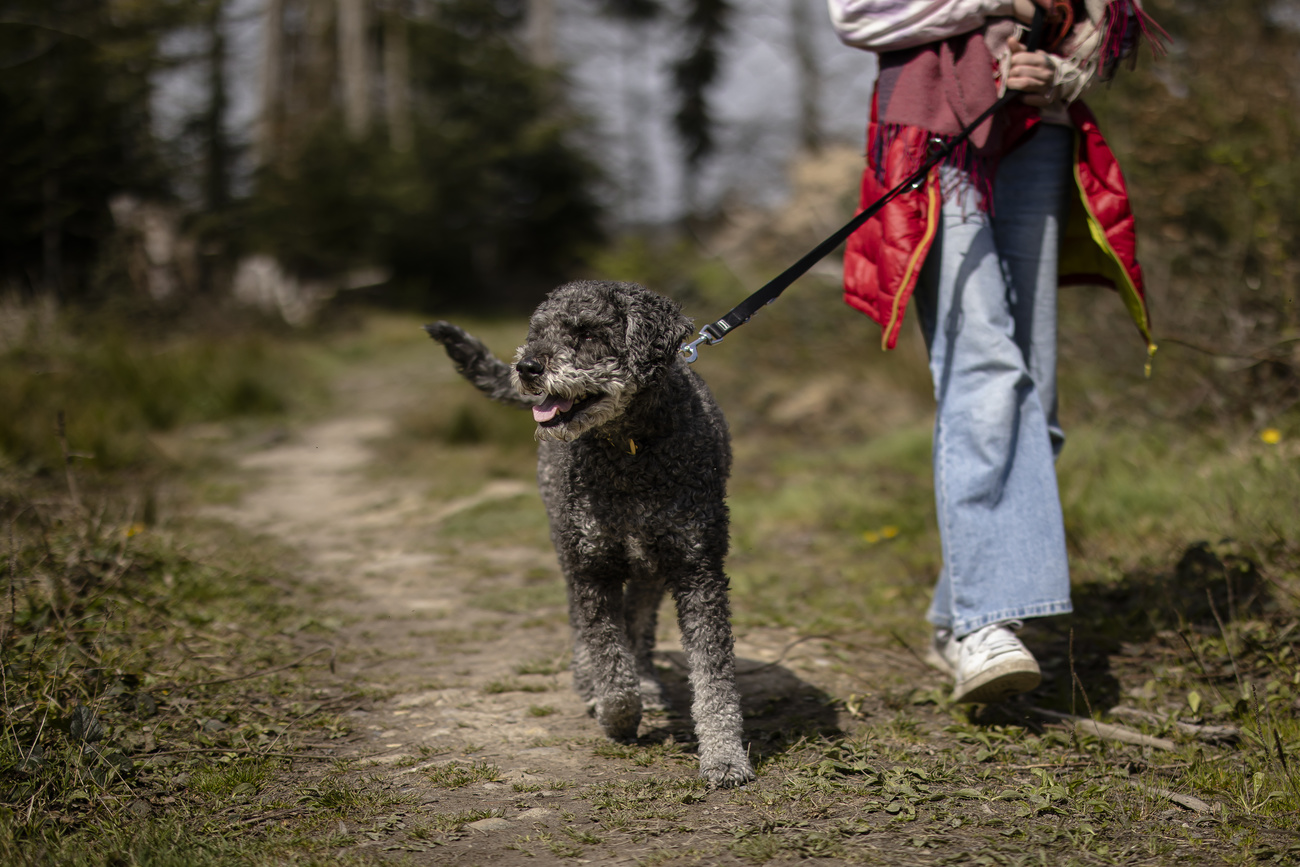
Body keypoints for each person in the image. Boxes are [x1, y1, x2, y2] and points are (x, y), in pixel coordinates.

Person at [827, 0, 1164, 702]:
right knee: (985, 367)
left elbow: (1103, 25)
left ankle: (959, 617)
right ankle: (988, 624)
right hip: (935, 130)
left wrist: (1060, 71)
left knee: (1033, 397)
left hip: (1040, 133)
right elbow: (856, 14)